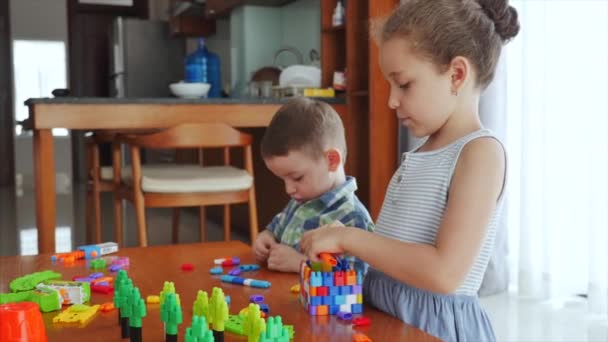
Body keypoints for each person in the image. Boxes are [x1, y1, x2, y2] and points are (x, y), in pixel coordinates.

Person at [300, 0, 520, 340]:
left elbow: (444, 273)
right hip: (388, 312)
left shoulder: (479, 153)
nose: (391, 100)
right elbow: (397, 250)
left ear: (456, 74)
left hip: (431, 327)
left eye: (404, 84)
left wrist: (351, 237)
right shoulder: (423, 152)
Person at [253, 97, 374, 273]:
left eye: (297, 177)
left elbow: (354, 278)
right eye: (283, 180)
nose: (289, 189)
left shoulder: (353, 216)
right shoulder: (301, 199)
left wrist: (301, 264)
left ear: (331, 160)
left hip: (320, 301)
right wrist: (266, 238)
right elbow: (276, 228)